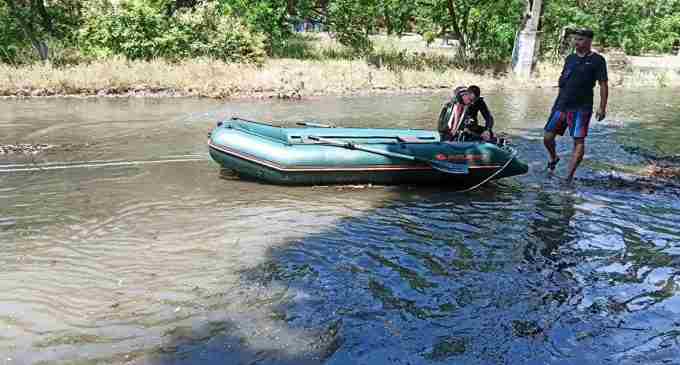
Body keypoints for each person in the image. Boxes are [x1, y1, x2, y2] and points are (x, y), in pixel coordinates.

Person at [544, 28, 608, 183]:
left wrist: (602, 107)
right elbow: (563, 80)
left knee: (578, 141)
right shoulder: (570, 58)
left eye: (579, 39)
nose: (576, 42)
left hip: (581, 107)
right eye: (575, 39)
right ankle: (554, 157)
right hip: (561, 105)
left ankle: (568, 177)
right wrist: (558, 100)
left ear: (589, 41)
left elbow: (603, 84)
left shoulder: (598, 60)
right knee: (547, 137)